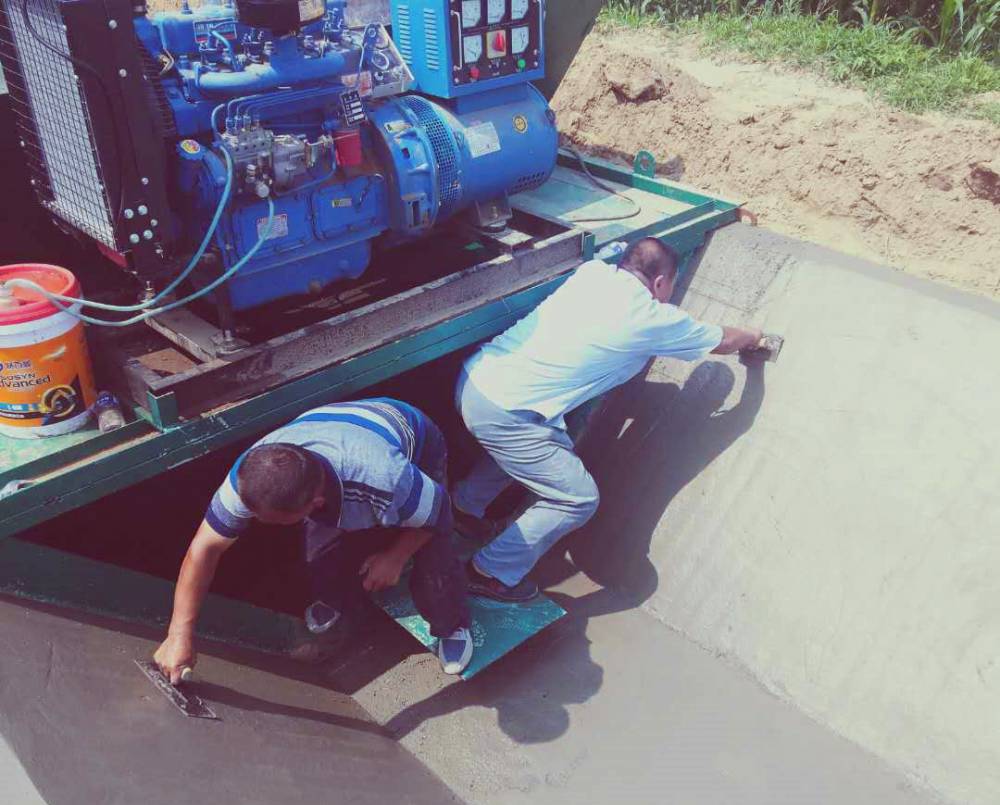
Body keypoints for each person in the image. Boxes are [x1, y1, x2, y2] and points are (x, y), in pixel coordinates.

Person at [453, 237, 767, 602]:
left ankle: (463, 508)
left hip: (474, 382)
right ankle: (488, 572)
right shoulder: (650, 317)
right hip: (506, 414)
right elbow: (724, 342)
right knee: (577, 498)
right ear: (662, 282)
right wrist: (753, 336)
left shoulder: (593, 273)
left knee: (539, 438)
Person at [154, 398, 473, 682]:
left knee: (435, 566)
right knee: (320, 553)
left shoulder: (386, 479)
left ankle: (452, 625)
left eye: (275, 521)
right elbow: (203, 549)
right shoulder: (248, 478)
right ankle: (337, 601)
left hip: (412, 437)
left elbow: (441, 514)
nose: (262, 525)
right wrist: (178, 633)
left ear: (316, 503)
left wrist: (396, 556)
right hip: (337, 431)